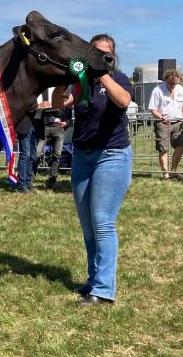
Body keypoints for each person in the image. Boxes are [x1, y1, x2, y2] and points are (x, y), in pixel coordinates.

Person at [65, 34, 132, 307]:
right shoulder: (81, 81)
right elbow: (65, 101)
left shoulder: (119, 78)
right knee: (88, 228)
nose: (103, 58)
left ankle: (104, 290)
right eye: (97, 54)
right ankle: (94, 280)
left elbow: (124, 101)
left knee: (103, 222)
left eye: (107, 55)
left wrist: (103, 74)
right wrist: (73, 80)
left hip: (112, 155)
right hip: (82, 156)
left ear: (113, 57)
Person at [147, 69, 183, 180]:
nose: (173, 85)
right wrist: (161, 117)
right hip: (162, 123)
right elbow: (153, 109)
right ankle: (165, 175)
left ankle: (173, 171)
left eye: (175, 83)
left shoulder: (180, 89)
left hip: (178, 122)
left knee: (181, 146)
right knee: (163, 149)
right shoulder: (157, 90)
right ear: (165, 80)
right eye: (171, 83)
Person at [35, 86, 72, 189]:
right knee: (37, 153)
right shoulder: (42, 89)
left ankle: (53, 179)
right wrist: (40, 106)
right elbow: (34, 107)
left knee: (57, 154)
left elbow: (69, 108)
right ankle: (30, 177)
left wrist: (67, 123)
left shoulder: (63, 89)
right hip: (44, 126)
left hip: (59, 127)